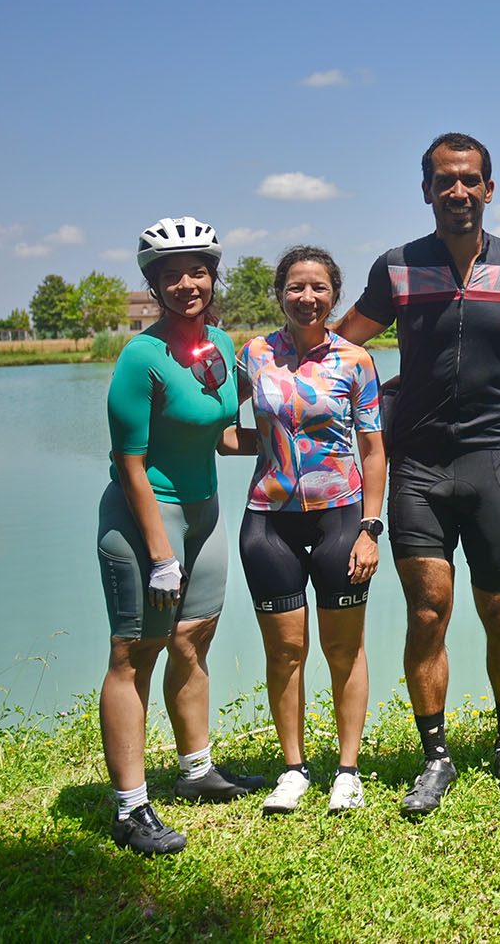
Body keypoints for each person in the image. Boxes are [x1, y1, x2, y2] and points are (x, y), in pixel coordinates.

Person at [333, 133, 500, 816]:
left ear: (489, 188)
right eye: (444, 180)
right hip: (418, 467)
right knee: (427, 612)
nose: (458, 191)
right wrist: (266, 364)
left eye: (469, 180)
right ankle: (436, 757)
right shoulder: (397, 267)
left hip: (493, 462)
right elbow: (341, 343)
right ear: (426, 190)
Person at [96, 216, 264, 856]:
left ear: (213, 277)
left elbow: (220, 436)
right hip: (147, 520)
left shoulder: (218, 343)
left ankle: (196, 771)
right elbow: (131, 464)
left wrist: (300, 439)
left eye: (197, 272)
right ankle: (130, 808)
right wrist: (160, 555)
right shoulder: (141, 357)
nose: (187, 285)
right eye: (172, 276)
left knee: (193, 641)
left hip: (204, 512)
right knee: (134, 655)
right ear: (154, 285)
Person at [217, 246, 385, 816]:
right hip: (269, 522)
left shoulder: (356, 360)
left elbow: (373, 449)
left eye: (318, 287)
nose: (306, 297)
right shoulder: (254, 355)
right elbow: (220, 428)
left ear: (334, 295)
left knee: (343, 649)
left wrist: (371, 528)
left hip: (342, 517)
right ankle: (293, 770)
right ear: (280, 294)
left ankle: (347, 771)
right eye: (295, 287)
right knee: (285, 652)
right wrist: (270, 443)